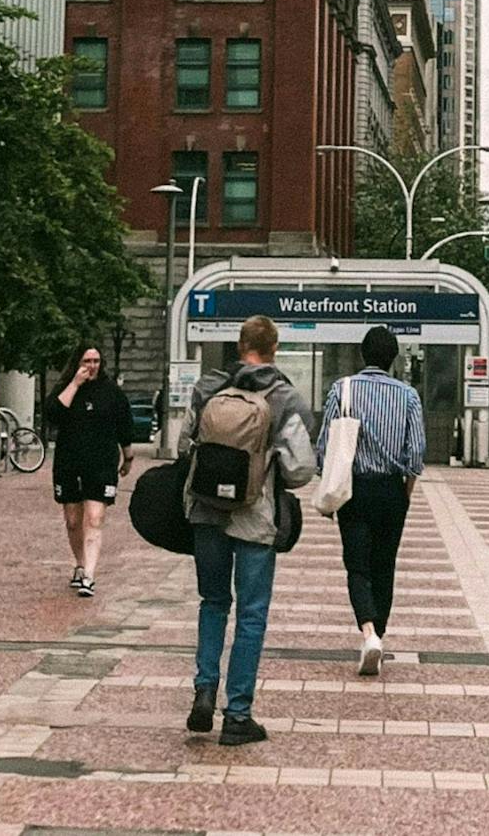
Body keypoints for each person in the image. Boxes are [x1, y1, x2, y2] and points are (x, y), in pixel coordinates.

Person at [179, 315, 315, 746]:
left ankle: (204, 690)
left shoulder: (206, 389)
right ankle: (237, 715)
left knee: (213, 602)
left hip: (206, 514)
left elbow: (185, 445)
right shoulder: (287, 398)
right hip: (255, 519)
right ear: (273, 349)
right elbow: (299, 470)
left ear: (239, 347)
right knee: (251, 614)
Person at [318, 324, 425, 676]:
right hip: (393, 490)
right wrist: (404, 495)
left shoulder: (342, 389)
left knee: (357, 564)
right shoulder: (409, 396)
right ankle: (379, 633)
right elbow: (416, 455)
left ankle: (367, 633)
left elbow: (324, 446)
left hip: (354, 489)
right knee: (385, 565)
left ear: (363, 355)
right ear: (394, 358)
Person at [46, 343, 136, 597]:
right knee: (73, 521)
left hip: (101, 463)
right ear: (78, 363)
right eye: (87, 361)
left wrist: (128, 456)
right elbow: (53, 413)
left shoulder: (112, 393)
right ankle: (80, 563)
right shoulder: (66, 388)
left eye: (96, 361)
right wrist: (74, 384)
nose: (92, 366)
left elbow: (124, 425)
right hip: (69, 462)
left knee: (95, 518)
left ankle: (89, 576)